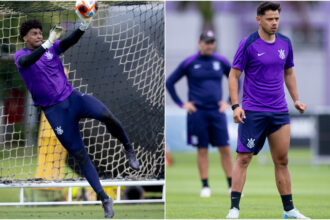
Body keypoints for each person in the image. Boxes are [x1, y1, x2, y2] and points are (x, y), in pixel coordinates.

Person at [14, 12, 139, 218]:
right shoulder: (21, 56)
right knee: (80, 155)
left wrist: (83, 25)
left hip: (73, 99)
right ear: (25, 38)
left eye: (40, 33)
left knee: (106, 115)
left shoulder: (51, 49)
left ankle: (128, 148)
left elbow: (71, 40)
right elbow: (28, 61)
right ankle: (104, 198)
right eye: (33, 33)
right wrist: (46, 44)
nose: (38, 35)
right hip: (55, 112)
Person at [226, 2, 308, 219]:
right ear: (259, 20)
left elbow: (289, 73)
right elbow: (234, 76)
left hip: (279, 112)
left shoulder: (286, 43)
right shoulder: (248, 43)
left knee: (282, 160)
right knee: (243, 159)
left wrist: (296, 99)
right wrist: (236, 106)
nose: (274, 23)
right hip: (253, 112)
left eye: (277, 19)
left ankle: (289, 210)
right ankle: (234, 209)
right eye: (270, 19)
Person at [166, 30, 234, 198]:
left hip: (217, 112)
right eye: (207, 42)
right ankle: (205, 186)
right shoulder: (190, 62)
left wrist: (229, 102)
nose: (210, 45)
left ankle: (232, 186)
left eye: (212, 42)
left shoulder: (221, 61)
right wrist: (182, 104)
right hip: (197, 113)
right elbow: (170, 82)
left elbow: (236, 78)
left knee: (225, 149)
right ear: (200, 43)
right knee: (202, 150)